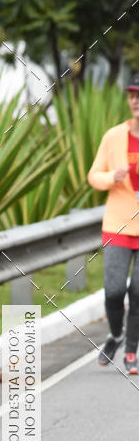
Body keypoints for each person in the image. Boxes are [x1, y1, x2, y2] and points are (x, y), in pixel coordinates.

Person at [88, 72, 139, 375]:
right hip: (118, 224)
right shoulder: (113, 137)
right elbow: (94, 175)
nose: (136, 101)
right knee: (114, 290)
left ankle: (131, 349)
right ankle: (116, 335)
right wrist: (112, 177)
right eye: (132, 95)